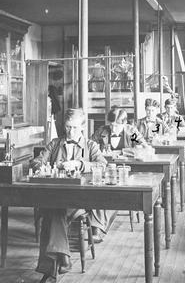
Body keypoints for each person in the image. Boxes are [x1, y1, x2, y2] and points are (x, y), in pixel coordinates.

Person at [30, 108, 107, 278]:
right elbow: (36, 161)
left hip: (80, 200)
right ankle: (63, 257)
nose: (70, 131)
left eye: (74, 127)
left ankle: (59, 261)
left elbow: (103, 165)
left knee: (53, 210)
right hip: (56, 195)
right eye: (67, 127)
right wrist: (41, 167)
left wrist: (80, 164)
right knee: (54, 208)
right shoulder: (55, 144)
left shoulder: (91, 146)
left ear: (82, 127)